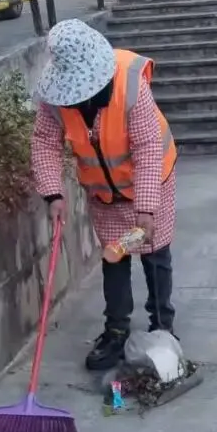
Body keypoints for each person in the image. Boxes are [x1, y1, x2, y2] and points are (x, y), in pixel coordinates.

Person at [31, 18, 177, 372]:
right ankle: (116, 330)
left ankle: (163, 326)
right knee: (114, 257)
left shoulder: (130, 85)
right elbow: (45, 142)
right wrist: (53, 193)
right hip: (104, 193)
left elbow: (147, 147)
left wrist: (146, 208)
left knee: (155, 254)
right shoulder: (55, 98)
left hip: (151, 181)